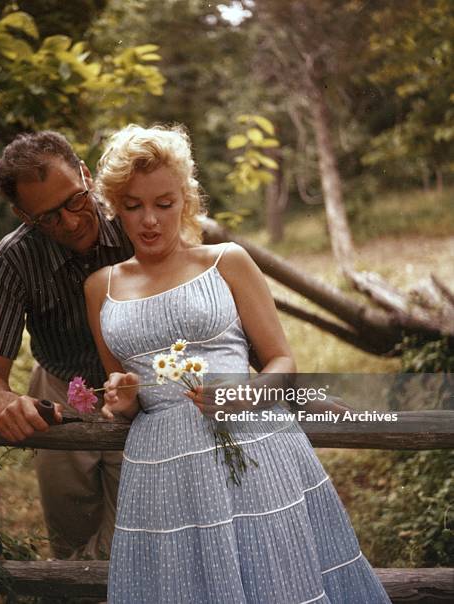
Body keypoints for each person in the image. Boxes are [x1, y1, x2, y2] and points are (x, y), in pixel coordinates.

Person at [84, 124, 392, 603]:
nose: (150, 220)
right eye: (133, 205)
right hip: (162, 470)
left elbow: (281, 360)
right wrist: (120, 401)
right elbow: (123, 397)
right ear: (114, 207)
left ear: (185, 200)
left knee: (275, 580)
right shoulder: (100, 287)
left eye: (164, 204)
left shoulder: (226, 261)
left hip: (252, 449)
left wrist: (243, 394)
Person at [0, 131, 134, 559]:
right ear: (21, 214)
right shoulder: (11, 259)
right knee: (71, 545)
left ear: (87, 175)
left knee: (134, 537)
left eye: (75, 200)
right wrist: (6, 404)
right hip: (59, 391)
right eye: (48, 218)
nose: (70, 222)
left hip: (138, 394)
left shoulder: (134, 222)